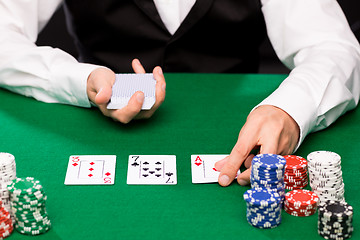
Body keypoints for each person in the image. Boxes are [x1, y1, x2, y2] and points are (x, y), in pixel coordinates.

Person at [0, 0, 359, 187]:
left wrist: (291, 109)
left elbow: (333, 45)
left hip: (235, 123)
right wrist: (80, 79)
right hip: (89, 134)